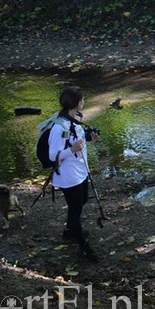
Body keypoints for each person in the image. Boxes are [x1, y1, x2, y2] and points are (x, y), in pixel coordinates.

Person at [49, 86, 99, 263]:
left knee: (82, 201)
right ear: (77, 103)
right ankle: (83, 245)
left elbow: (77, 141)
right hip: (68, 177)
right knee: (76, 209)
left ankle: (69, 230)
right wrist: (72, 150)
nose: (84, 102)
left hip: (80, 172)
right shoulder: (59, 127)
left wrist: (87, 139)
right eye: (83, 99)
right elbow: (53, 155)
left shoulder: (75, 120)